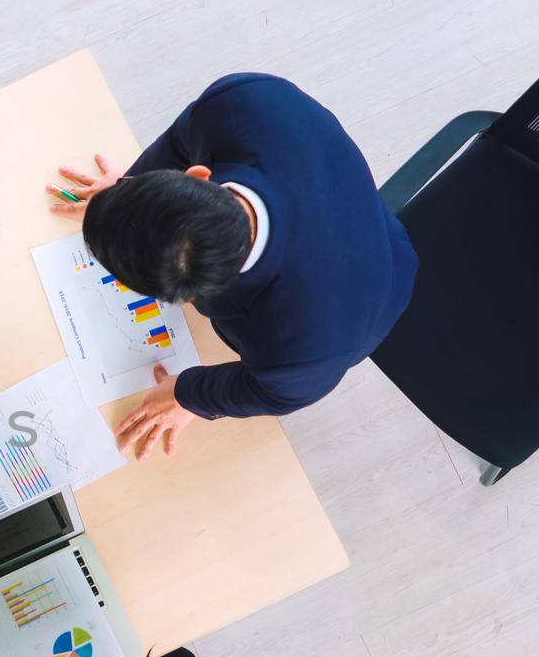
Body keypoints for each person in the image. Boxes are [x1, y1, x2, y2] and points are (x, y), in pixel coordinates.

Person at [47, 74, 417, 460]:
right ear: (198, 175)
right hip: (334, 201)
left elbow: (271, 392)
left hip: (379, 285)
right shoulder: (245, 103)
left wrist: (187, 395)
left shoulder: (304, 347)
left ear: (192, 297)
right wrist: (127, 190)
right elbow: (180, 142)